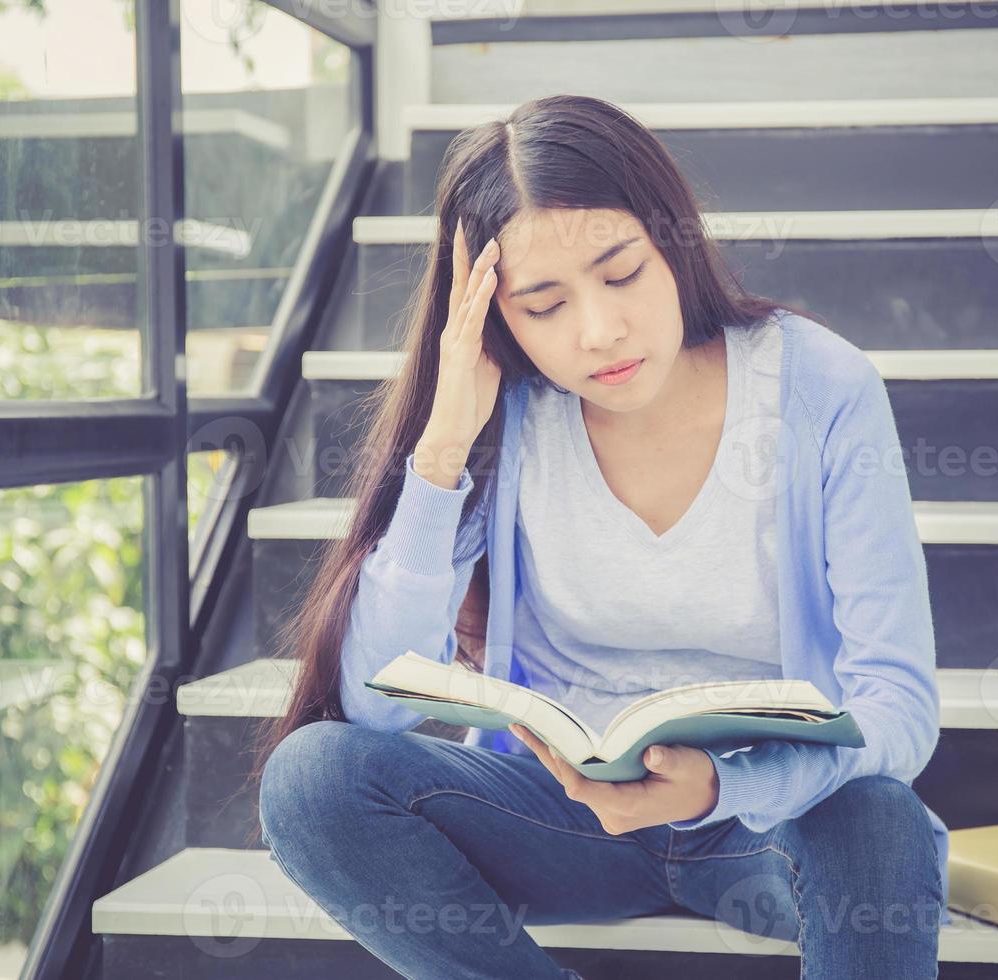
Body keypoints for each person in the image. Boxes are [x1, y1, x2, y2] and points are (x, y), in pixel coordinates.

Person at [249, 93, 946, 980]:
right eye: (543, 306)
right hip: (565, 817)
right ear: (496, 318)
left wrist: (728, 783)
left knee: (876, 816)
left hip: (767, 824)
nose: (598, 331)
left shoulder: (819, 387)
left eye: (622, 274)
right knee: (311, 780)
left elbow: (899, 705)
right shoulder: (508, 417)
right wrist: (443, 450)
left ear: (674, 244)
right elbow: (376, 705)